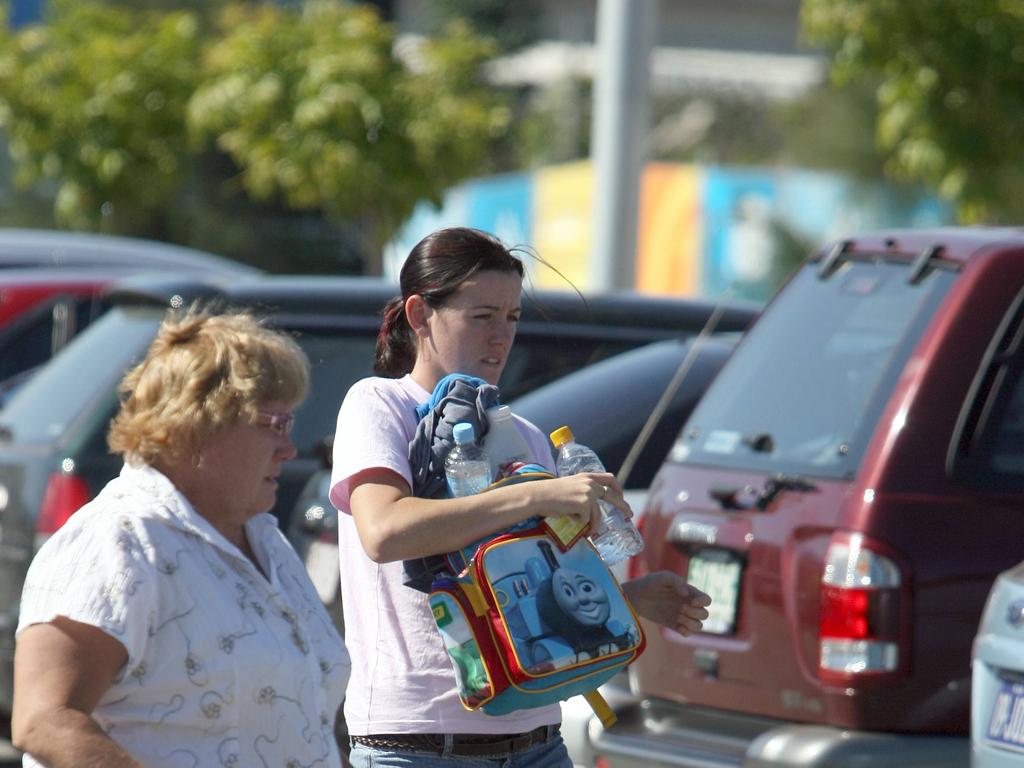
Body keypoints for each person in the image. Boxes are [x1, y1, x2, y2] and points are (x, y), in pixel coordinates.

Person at [330, 226, 711, 768]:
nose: (500, 337)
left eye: (511, 317)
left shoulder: (527, 435)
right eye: (482, 316)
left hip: (537, 739)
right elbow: (385, 531)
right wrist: (533, 498)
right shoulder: (379, 404)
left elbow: (527, 597)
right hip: (422, 744)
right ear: (419, 315)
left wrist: (631, 599)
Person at [12, 308, 351, 768]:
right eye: (275, 425)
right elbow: (45, 719)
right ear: (199, 425)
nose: (290, 449)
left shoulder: (260, 537)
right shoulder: (119, 540)